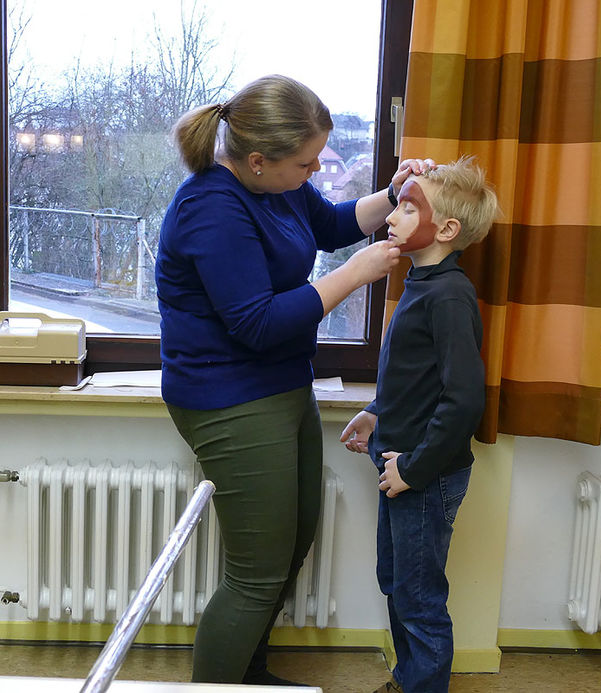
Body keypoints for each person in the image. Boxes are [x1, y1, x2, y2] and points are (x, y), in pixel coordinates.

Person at [155, 73, 433, 686]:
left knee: (291, 545)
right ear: (258, 160)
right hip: (226, 398)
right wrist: (355, 276)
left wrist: (393, 194)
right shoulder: (209, 207)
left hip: (282, 387)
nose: (313, 171)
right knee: (255, 574)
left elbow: (333, 225)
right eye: (305, 163)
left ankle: (248, 679)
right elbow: (256, 322)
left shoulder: (277, 188)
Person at [339, 155, 500, 693]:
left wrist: (415, 469)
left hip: (422, 474)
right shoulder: (422, 281)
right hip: (399, 463)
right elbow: (415, 376)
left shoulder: (450, 296)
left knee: (419, 595)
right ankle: (411, 680)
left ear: (446, 229)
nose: (392, 217)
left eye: (408, 208)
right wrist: (375, 412)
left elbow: (462, 400)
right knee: (397, 583)